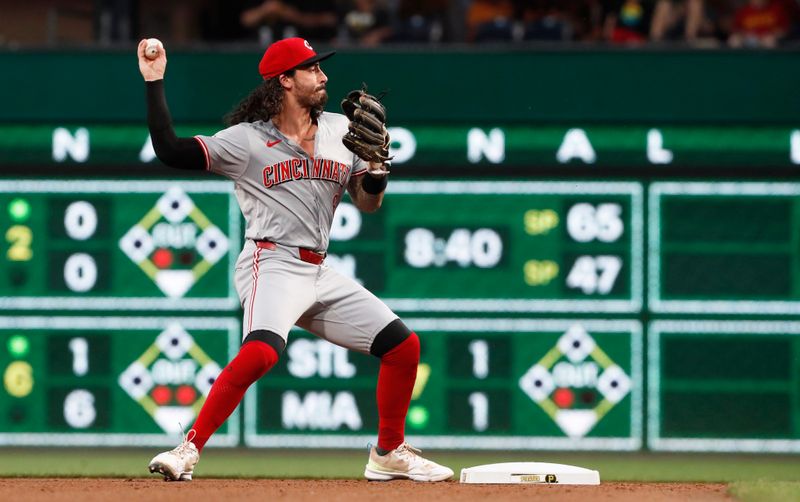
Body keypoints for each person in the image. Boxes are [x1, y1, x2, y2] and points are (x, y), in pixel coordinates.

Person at [137, 36, 454, 483]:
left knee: (403, 347)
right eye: (311, 68)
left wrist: (378, 172)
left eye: (320, 67)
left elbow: (367, 203)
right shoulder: (247, 141)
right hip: (272, 261)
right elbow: (169, 150)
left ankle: (388, 452)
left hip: (318, 269)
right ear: (284, 80)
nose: (323, 76)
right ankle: (187, 449)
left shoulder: (341, 132)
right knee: (262, 352)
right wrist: (154, 81)